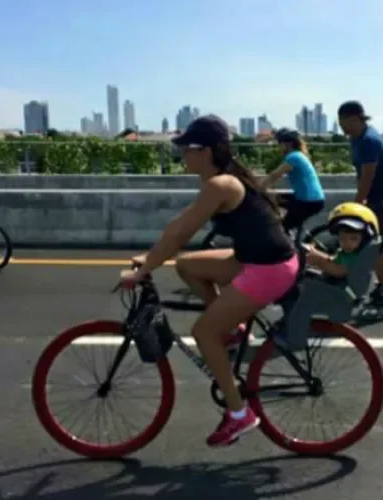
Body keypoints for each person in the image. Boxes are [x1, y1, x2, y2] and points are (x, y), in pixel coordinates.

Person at [118, 115, 299, 447]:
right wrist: (152, 259)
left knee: (202, 332)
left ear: (207, 151)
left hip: (268, 269)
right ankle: (233, 331)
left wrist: (144, 271)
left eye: (188, 148)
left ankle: (239, 413)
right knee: (187, 266)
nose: (183, 154)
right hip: (253, 259)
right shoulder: (221, 181)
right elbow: (179, 229)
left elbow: (180, 231)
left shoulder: (221, 185)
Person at [337, 101, 383, 309]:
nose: (342, 128)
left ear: (355, 118)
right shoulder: (357, 139)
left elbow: (368, 177)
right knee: (373, 245)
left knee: (371, 248)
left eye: (343, 123)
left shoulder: (368, 141)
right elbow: (360, 175)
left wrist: (357, 207)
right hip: (379, 199)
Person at [260, 128, 326, 232]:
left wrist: (257, 188)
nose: (279, 147)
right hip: (308, 199)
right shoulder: (298, 155)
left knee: (280, 230)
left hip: (307, 202)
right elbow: (277, 176)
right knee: (272, 199)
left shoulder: (293, 157)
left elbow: (274, 175)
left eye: (280, 144)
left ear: (288, 144)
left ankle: (289, 243)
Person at [302, 202, 379, 281]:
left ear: (365, 239)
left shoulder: (358, 258)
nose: (347, 242)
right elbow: (335, 261)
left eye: (353, 238)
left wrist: (319, 260)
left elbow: (341, 272)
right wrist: (317, 254)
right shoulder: (346, 253)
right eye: (343, 238)